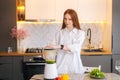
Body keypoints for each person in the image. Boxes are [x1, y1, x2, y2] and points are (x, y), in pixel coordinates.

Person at [45, 9, 85, 74]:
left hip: (75, 69)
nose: (67, 21)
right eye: (65, 19)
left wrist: (60, 46)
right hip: (60, 69)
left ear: (74, 19)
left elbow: (75, 47)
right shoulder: (59, 33)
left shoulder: (80, 33)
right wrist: (47, 51)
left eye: (70, 19)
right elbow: (53, 48)